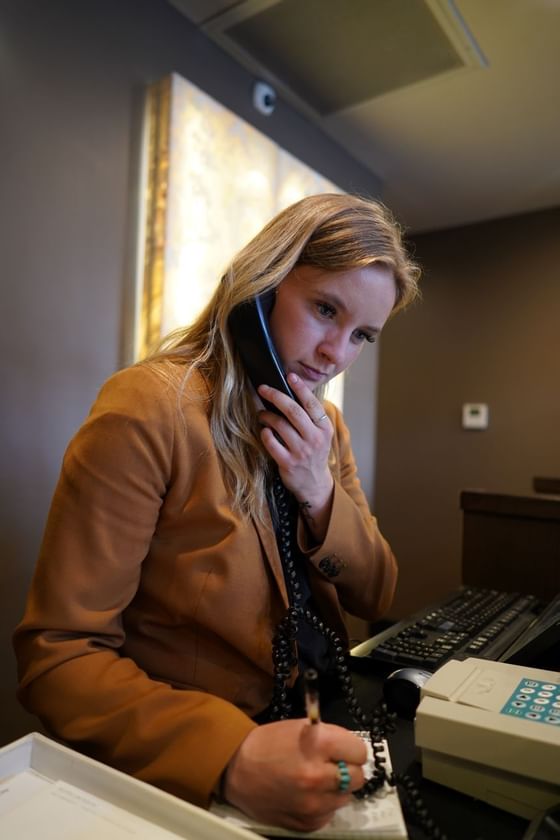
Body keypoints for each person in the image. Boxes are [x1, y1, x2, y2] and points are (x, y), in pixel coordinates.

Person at [13, 193, 420, 833]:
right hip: (198, 757)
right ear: (261, 290)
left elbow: (379, 589)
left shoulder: (326, 427)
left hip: (316, 717)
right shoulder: (149, 408)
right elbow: (60, 657)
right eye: (323, 309)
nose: (336, 354)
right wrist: (229, 754)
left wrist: (318, 492)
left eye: (362, 335)